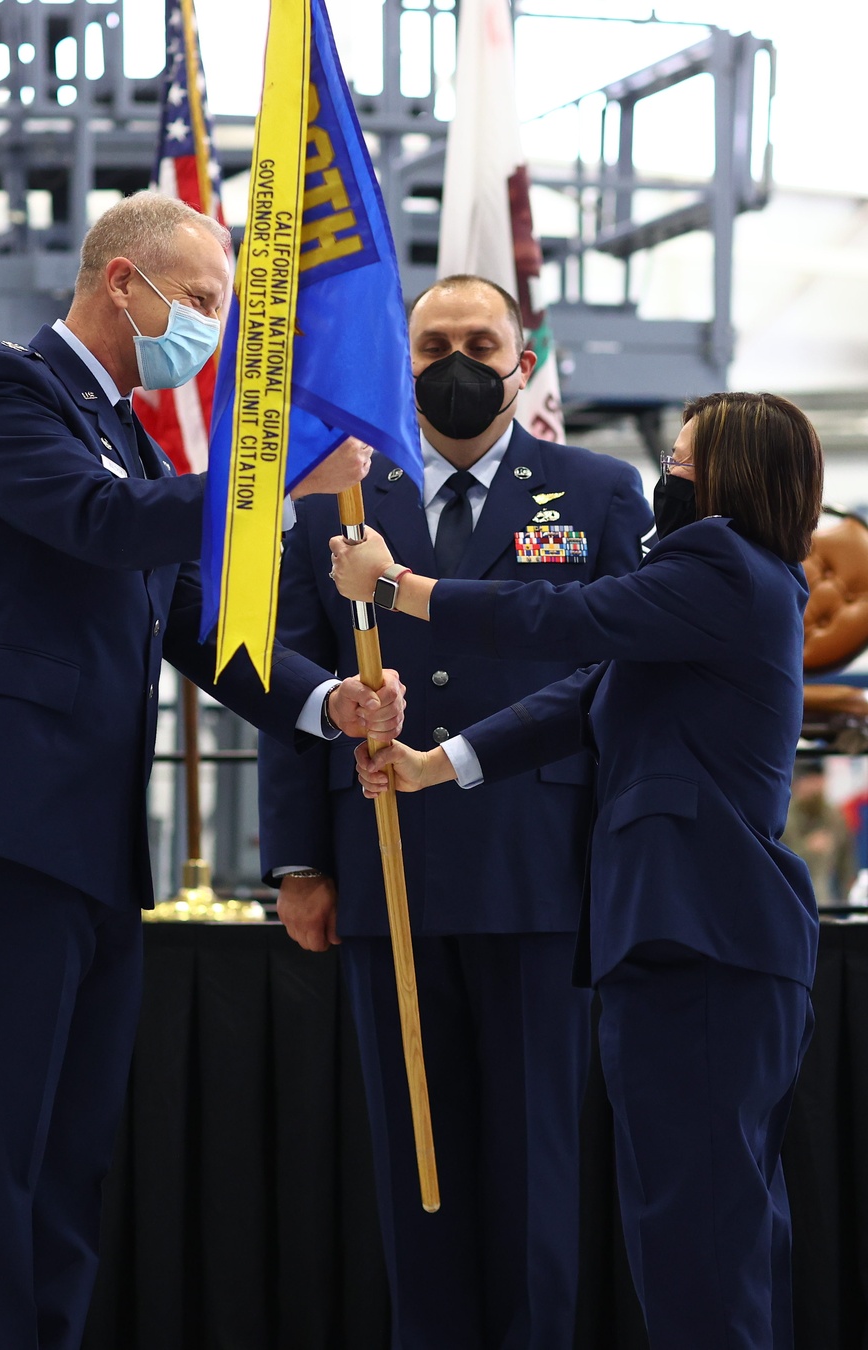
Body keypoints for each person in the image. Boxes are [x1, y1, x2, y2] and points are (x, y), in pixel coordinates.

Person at [0, 191, 404, 1350]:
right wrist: (280, 480)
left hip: (90, 842)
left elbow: (198, 618)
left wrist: (328, 701)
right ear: (122, 282)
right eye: (203, 299)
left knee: (70, 1161)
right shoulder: (7, 391)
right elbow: (100, 525)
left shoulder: (126, 435)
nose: (211, 328)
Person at [333, 391, 823, 1350]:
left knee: (697, 1237)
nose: (667, 473)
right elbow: (591, 690)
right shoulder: (732, 587)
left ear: (734, 477)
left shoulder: (716, 563)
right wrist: (444, 764)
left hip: (700, 939)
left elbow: (565, 618)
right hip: (710, 940)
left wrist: (398, 587)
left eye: (683, 459)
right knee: (718, 1229)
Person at [258, 273, 651, 1348]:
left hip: (540, 861)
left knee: (533, 1167)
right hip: (386, 861)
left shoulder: (602, 491)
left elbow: (618, 668)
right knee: (414, 1163)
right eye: (433, 345)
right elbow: (289, 679)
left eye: (481, 341)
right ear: (401, 363)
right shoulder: (332, 502)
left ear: (523, 365)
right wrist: (296, 860)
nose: (456, 362)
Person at [782, 759, 858, 906]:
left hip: (827, 895)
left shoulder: (834, 815)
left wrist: (848, 894)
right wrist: (807, 847)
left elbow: (846, 857)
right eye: (810, 779)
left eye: (818, 779)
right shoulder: (785, 816)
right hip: (791, 893)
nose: (815, 785)